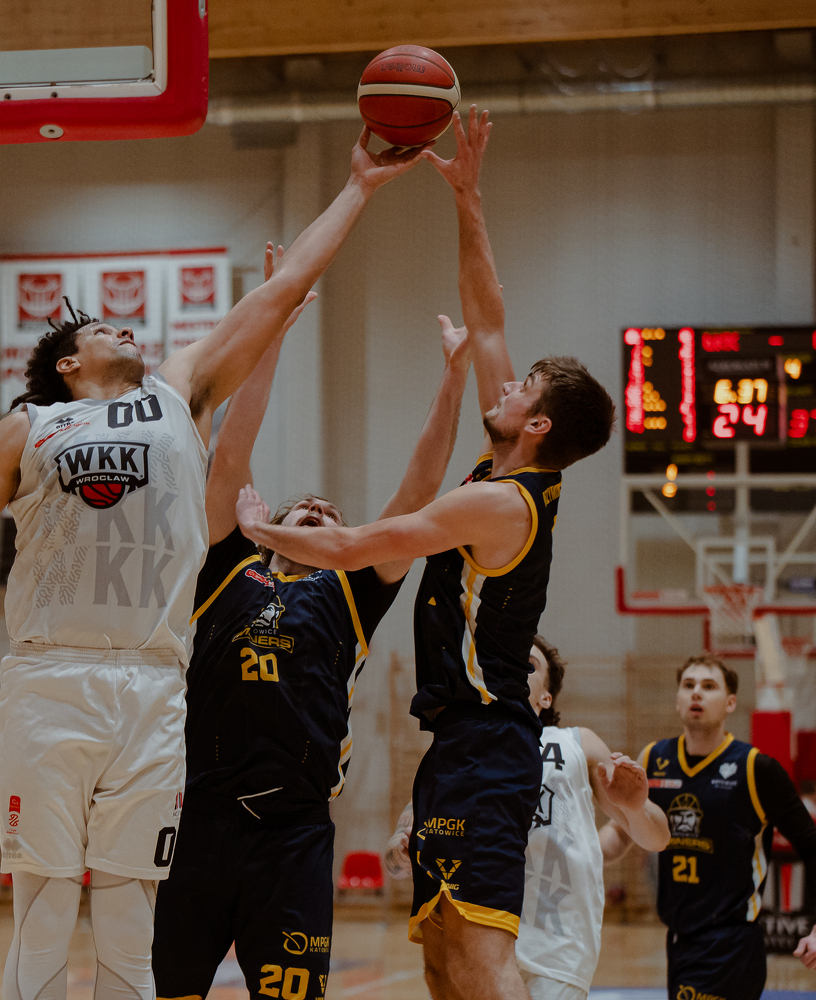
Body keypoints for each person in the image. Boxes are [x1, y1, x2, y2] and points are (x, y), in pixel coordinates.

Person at [0, 130, 430, 1000]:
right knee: (43, 906)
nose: (124, 327)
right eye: (99, 328)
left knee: (128, 915)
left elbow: (281, 291)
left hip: (154, 683)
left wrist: (358, 187)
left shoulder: (178, 391)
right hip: (50, 676)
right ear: (68, 365)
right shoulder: (28, 427)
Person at [234, 108, 615, 1000]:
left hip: (490, 745)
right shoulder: (504, 461)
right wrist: (467, 196)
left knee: (480, 959)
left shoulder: (498, 502)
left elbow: (361, 543)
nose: (506, 382)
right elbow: (487, 316)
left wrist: (260, 531)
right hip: (454, 744)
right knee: (441, 955)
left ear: (538, 424)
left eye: (522, 387)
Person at [153, 241, 471, 1000]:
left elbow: (418, 491)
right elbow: (233, 449)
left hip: (294, 833)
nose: (323, 511)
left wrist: (454, 377)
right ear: (272, 525)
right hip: (199, 818)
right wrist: (270, 333)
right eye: (308, 509)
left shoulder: (350, 589)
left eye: (332, 516)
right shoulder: (227, 568)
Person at [386, 636, 669, 1000]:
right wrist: (400, 851)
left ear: (546, 697)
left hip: (555, 947)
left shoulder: (576, 742)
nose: (515, 667)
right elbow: (398, 856)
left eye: (529, 664)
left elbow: (657, 838)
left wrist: (634, 807)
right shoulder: (461, 748)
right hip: (474, 937)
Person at [639, 654, 816, 1000]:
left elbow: (815, 849)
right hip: (679, 940)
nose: (696, 692)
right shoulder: (653, 759)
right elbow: (622, 831)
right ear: (677, 699)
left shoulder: (755, 768)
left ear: (730, 703)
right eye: (688, 685)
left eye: (708, 686)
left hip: (730, 944)